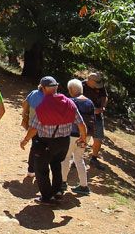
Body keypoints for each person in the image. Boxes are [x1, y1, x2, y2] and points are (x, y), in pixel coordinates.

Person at [19, 76, 88, 204]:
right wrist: (83, 138)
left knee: (41, 169)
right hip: (63, 142)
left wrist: (25, 139)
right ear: (56, 87)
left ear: (43, 88)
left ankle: (47, 197)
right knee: (56, 166)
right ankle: (57, 192)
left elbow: (34, 128)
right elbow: (81, 124)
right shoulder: (69, 103)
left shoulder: (43, 106)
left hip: (46, 143)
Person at [60, 79, 95, 195]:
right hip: (85, 136)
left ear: (71, 89)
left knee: (65, 158)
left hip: (71, 135)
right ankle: (84, 186)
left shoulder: (70, 101)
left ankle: (62, 182)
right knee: (79, 159)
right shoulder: (90, 102)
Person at [82, 72, 111, 162]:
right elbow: (76, 100)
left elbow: (104, 97)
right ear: (89, 80)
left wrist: (103, 106)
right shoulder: (81, 86)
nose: (97, 86)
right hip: (84, 115)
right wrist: (91, 110)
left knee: (98, 137)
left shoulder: (100, 86)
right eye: (95, 84)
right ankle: (78, 158)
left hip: (98, 115)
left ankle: (94, 158)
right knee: (84, 137)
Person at [21, 82, 46, 181]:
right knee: (44, 149)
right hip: (45, 127)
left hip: (32, 125)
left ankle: (31, 170)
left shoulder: (34, 93)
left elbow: (24, 104)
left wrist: (25, 116)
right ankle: (40, 172)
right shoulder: (49, 98)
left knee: (34, 147)